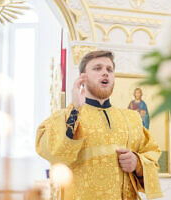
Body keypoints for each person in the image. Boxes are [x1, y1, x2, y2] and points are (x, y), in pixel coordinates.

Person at [36, 50, 163, 200]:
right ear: (82, 77)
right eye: (97, 68)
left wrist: (137, 163)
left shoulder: (132, 119)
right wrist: (75, 110)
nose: (105, 73)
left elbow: (152, 157)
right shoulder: (65, 116)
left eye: (109, 69)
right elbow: (54, 154)